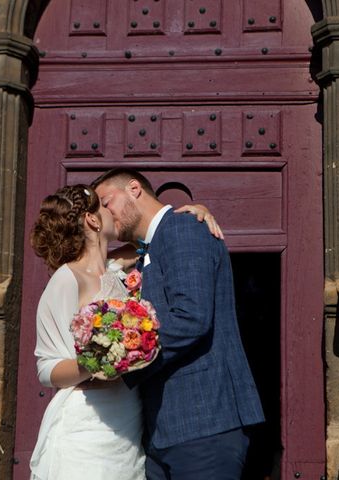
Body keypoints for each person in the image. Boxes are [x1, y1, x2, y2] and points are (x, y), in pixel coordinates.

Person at [28, 184, 222, 480]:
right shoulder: (66, 279)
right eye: (106, 206)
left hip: (130, 420)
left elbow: (150, 236)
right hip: (90, 422)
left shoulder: (117, 269)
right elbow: (47, 368)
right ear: (93, 221)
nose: (114, 210)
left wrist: (194, 216)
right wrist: (101, 360)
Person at [92, 168, 265, 480]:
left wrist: (125, 357)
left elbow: (191, 317)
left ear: (134, 189)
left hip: (204, 420)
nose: (104, 214)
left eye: (106, 202)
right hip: (164, 428)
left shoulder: (183, 228)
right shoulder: (150, 247)